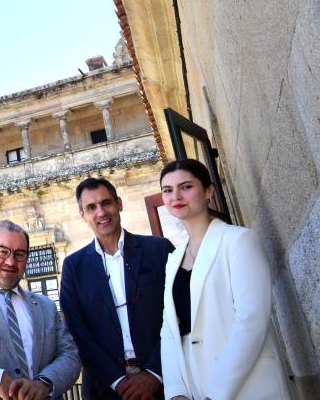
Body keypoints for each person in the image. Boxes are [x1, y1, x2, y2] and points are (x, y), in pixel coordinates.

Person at [158, 159, 292, 400]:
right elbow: (169, 329)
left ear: (209, 191)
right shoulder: (173, 259)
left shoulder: (238, 240)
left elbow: (251, 319)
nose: (175, 196)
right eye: (167, 190)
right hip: (194, 384)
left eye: (186, 186)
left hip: (247, 383)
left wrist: (217, 393)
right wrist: (176, 391)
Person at [60, 178, 174, 400]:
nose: (101, 212)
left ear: (119, 203)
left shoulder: (159, 250)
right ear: (82, 215)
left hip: (165, 380)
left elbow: (179, 313)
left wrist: (153, 373)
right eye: (91, 208)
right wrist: (118, 381)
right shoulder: (74, 266)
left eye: (106, 203)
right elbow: (77, 330)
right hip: (105, 389)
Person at [0, 220, 80, 400]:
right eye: (2, 251)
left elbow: (70, 355)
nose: (10, 261)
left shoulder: (46, 306)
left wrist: (44, 384)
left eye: (19, 254)